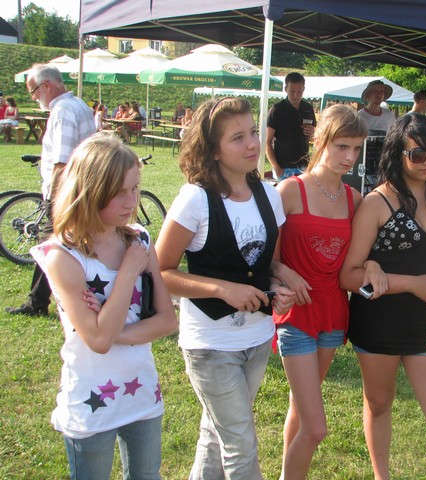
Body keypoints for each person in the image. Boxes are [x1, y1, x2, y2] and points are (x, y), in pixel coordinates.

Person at [155, 97, 295, 479]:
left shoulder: (269, 195)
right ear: (213, 150)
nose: (252, 144)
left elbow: (266, 266)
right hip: (211, 344)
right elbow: (160, 271)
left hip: (257, 338)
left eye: (252, 132)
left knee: (216, 435)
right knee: (240, 443)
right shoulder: (195, 199)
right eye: (237, 138)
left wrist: (279, 286)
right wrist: (223, 290)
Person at [29, 133, 178, 478]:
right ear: (89, 191)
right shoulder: (63, 257)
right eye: (119, 192)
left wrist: (110, 330)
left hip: (142, 393)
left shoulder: (138, 239)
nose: (131, 201)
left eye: (135, 188)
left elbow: (167, 321)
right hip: (90, 402)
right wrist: (127, 273)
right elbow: (97, 342)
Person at [339, 114, 426, 480]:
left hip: (425, 327)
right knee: (379, 404)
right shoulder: (377, 203)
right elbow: (349, 275)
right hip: (378, 325)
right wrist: (410, 283)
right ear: (397, 154)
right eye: (417, 154)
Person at [271, 105, 371, 479]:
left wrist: (374, 267)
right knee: (316, 427)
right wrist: (284, 272)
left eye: (356, 148)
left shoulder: (354, 199)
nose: (350, 157)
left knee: (300, 409)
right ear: (319, 139)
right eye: (342, 146)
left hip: (333, 314)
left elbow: (358, 261)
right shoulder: (289, 191)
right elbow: (266, 259)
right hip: (295, 313)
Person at [6, 64, 95, 317]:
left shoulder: (63, 111)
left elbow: (62, 162)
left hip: (67, 191)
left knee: (49, 246)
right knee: (66, 245)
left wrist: (53, 198)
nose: (33, 97)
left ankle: (37, 303)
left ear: (46, 85)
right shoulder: (78, 105)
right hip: (80, 188)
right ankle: (41, 301)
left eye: (33, 91)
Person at [266, 72, 317, 179]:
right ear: (286, 89)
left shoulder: (307, 108)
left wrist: (312, 133)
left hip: (304, 165)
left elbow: (315, 136)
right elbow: (267, 142)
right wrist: (276, 167)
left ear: (304, 89)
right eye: (292, 91)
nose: (295, 95)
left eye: (299, 92)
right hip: (283, 166)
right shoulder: (277, 109)